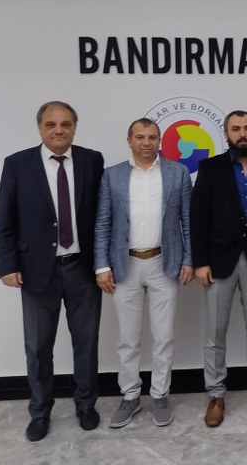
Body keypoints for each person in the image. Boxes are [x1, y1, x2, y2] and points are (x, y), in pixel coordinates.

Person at [0, 101, 104, 442]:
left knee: (86, 343)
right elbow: (5, 220)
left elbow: (102, 215)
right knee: (38, 347)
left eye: (66, 124)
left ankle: (86, 405)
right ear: (40, 127)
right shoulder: (17, 164)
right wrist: (8, 265)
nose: (59, 130)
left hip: (82, 270)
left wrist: (104, 262)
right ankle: (40, 411)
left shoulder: (91, 160)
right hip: (36, 272)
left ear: (74, 127)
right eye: (51, 124)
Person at [94, 118, 193, 428]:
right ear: (129, 140)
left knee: (163, 337)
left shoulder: (178, 173)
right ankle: (130, 396)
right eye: (140, 137)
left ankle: (160, 394)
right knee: (128, 338)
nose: (146, 142)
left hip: (165, 263)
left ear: (159, 140)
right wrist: (101, 265)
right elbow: (103, 222)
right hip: (125, 266)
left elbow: (187, 219)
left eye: (152, 137)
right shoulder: (112, 175)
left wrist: (189, 259)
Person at [190, 110, 247, 428]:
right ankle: (216, 395)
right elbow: (198, 217)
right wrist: (200, 261)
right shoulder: (210, 168)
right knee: (215, 332)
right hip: (218, 261)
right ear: (226, 133)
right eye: (236, 129)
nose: (242, 134)